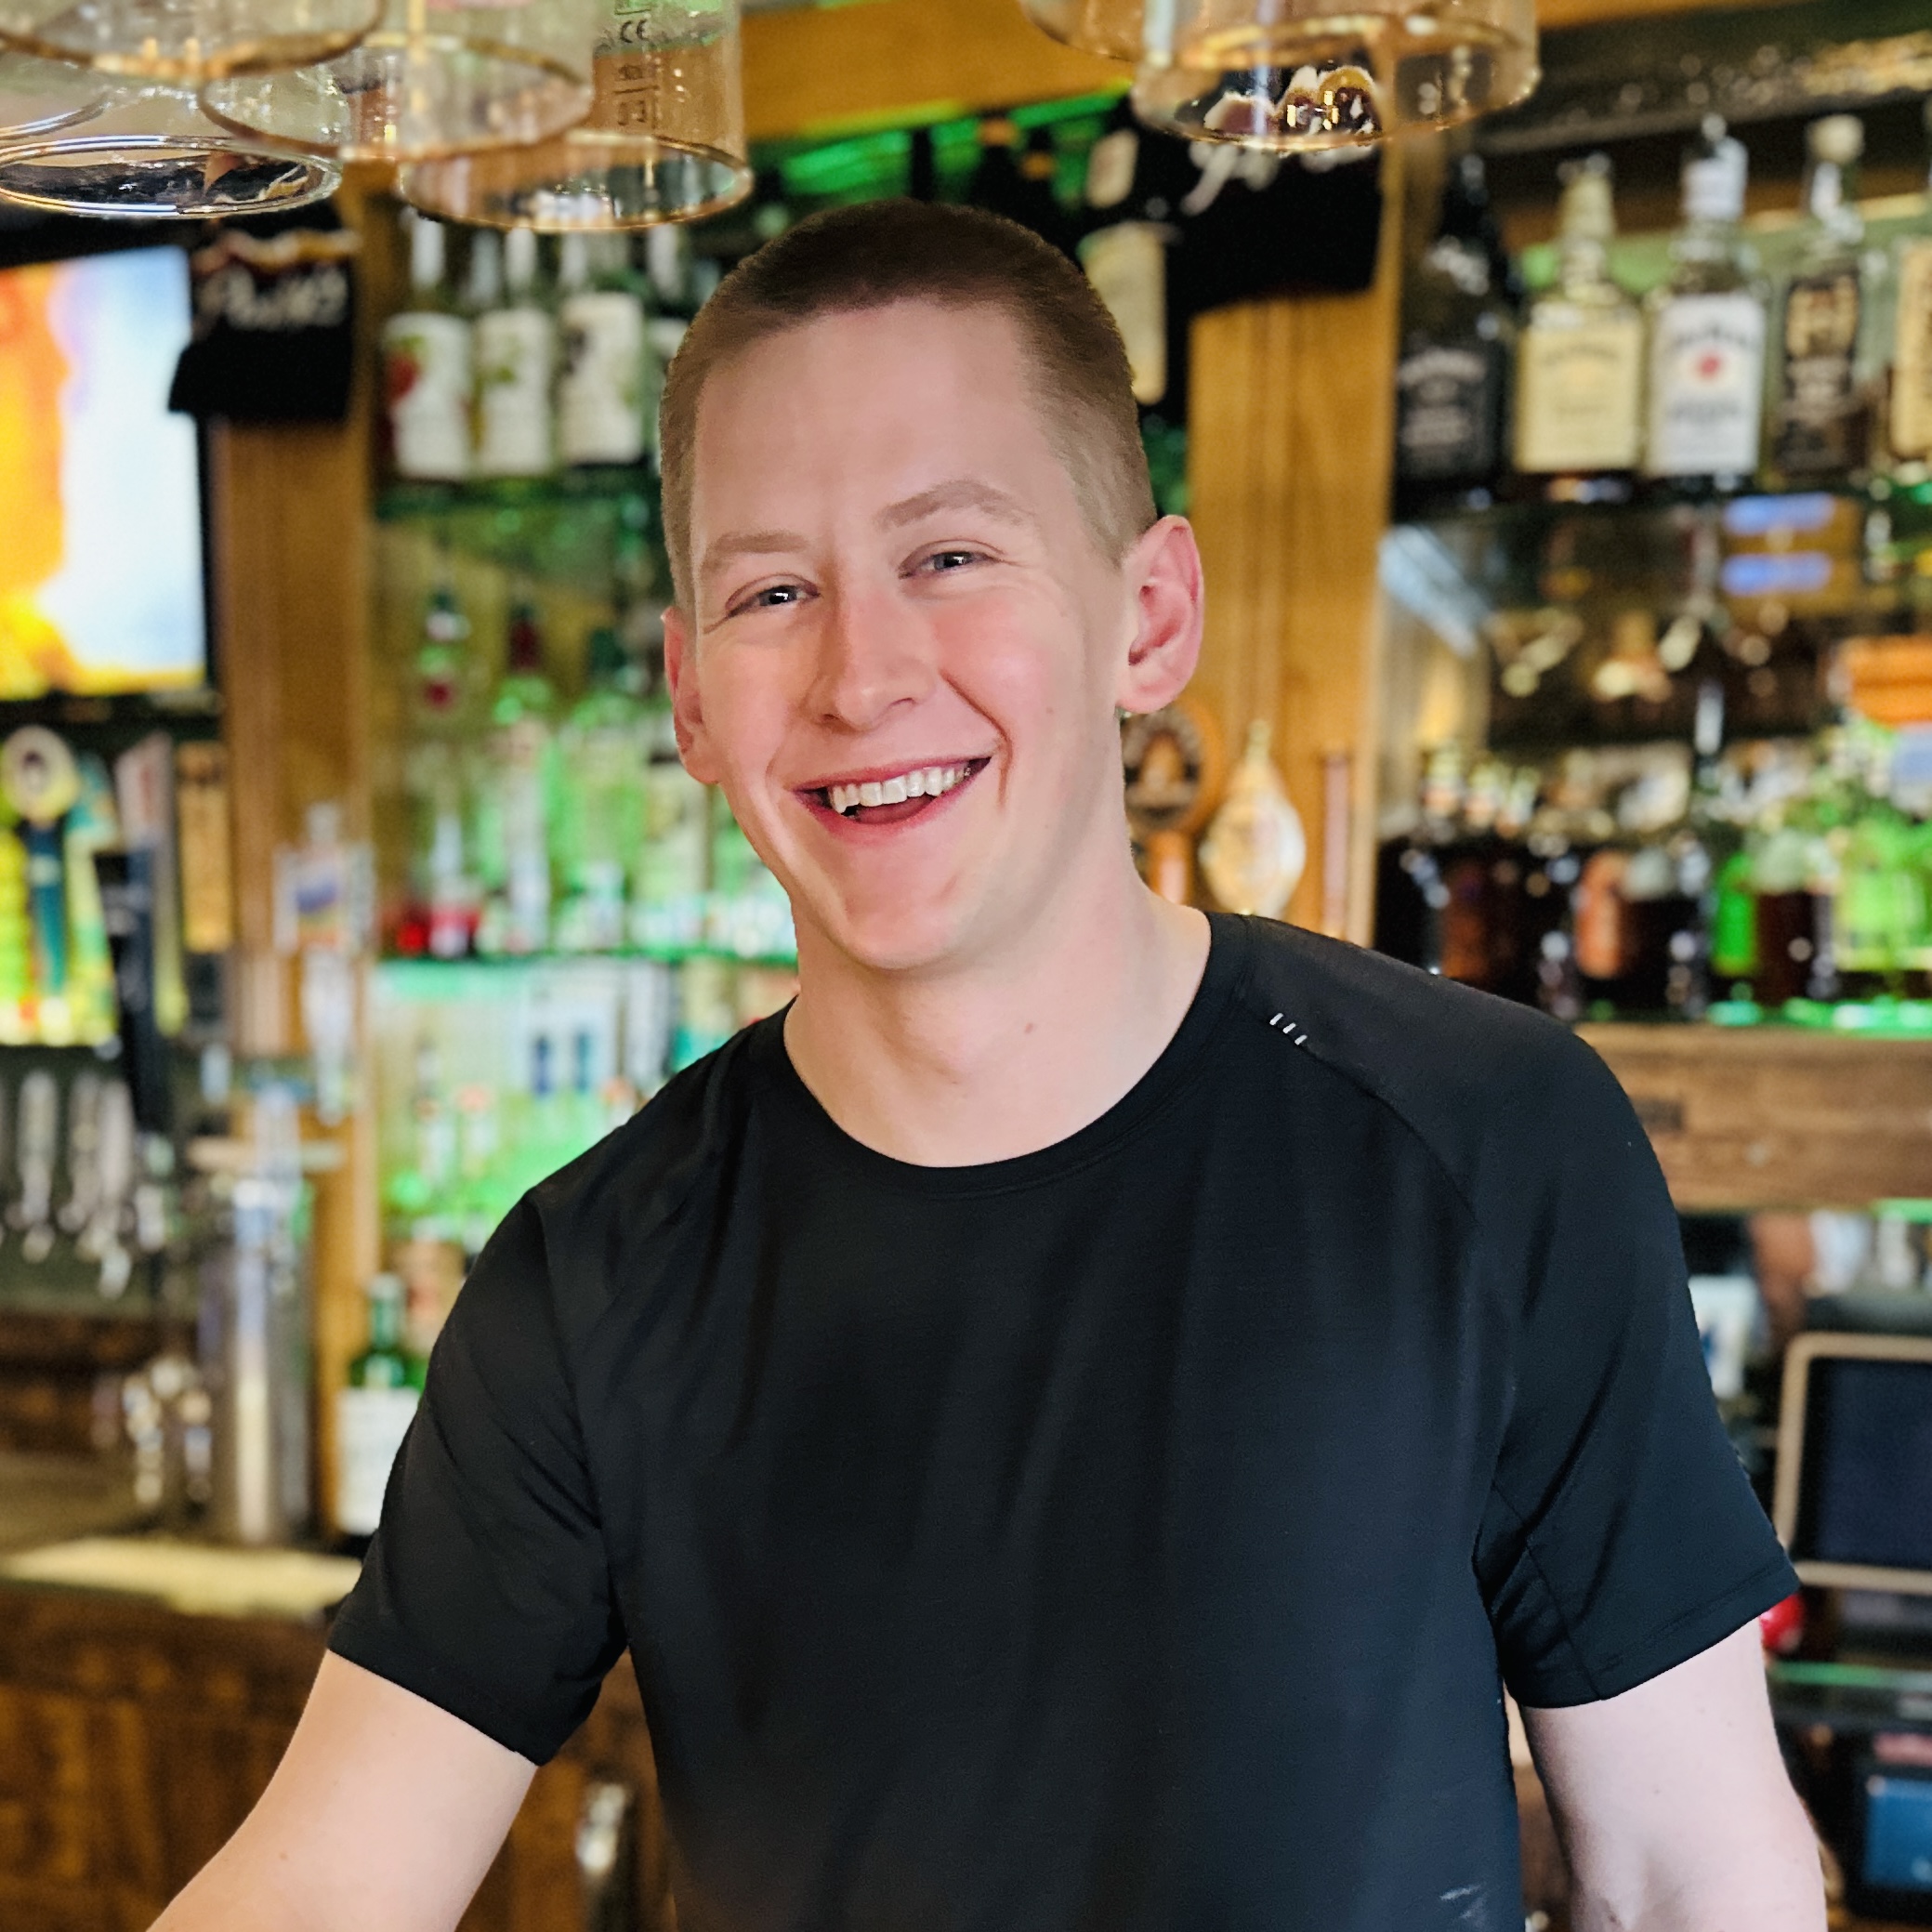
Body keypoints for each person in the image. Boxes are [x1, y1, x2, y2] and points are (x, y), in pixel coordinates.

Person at [156, 200, 1823, 1932]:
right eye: (772, 589)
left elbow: (1697, 1870)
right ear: (691, 699)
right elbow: (326, 1878)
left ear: (1147, 615)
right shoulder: (589, 1274)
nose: (863, 674)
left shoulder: (1485, 1143)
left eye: (951, 555)